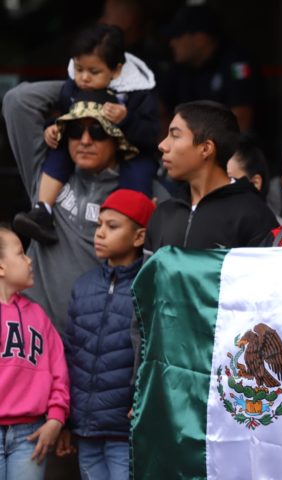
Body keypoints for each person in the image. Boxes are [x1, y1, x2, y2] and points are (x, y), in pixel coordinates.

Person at [2, 81, 168, 335]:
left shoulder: (143, 192)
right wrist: (87, 84)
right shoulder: (45, 175)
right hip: (32, 336)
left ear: (117, 138)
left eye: (99, 132)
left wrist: (119, 86)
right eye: (75, 130)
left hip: (95, 342)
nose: (85, 140)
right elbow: (18, 100)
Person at [13, 24, 159, 245]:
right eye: (79, 69)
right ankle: (43, 211)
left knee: (138, 177)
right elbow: (65, 114)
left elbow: (150, 134)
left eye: (94, 72)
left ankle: (133, 234)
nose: (84, 78)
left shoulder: (137, 92)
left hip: (133, 150)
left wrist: (126, 119)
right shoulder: (73, 87)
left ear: (116, 70)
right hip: (80, 155)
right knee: (59, 151)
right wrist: (53, 128)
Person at [55, 189, 154, 479]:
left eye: (112, 226)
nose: (99, 233)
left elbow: (153, 353)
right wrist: (65, 420)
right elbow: (70, 354)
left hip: (127, 429)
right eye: (99, 225)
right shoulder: (83, 286)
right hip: (86, 428)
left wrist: (142, 401)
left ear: (139, 237)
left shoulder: (148, 286)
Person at [145, 100, 278, 253]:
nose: (162, 145)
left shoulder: (254, 216)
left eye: (175, 135)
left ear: (206, 148)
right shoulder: (163, 213)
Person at [0, 226, 70, 479]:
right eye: (21, 253)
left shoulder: (39, 315)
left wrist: (56, 419)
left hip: (30, 434)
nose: (30, 260)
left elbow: (59, 372)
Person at [159, 5, 257, 133]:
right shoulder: (180, 67)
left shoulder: (236, 63)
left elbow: (241, 120)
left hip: (221, 143)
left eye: (178, 36)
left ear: (200, 39)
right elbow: (159, 109)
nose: (172, 43)